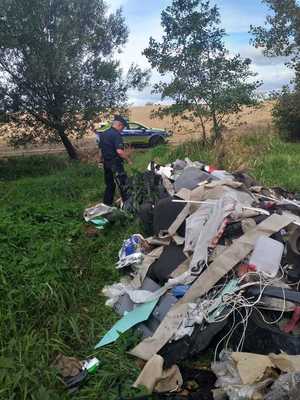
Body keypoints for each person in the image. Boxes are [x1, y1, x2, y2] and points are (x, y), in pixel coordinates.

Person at [98, 115, 132, 206]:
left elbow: (101, 150)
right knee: (123, 184)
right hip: (115, 164)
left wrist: (100, 161)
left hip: (106, 163)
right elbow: (119, 151)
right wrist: (129, 160)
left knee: (110, 185)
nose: (122, 130)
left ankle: (106, 204)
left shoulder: (103, 134)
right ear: (119, 125)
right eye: (123, 128)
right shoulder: (116, 135)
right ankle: (127, 205)